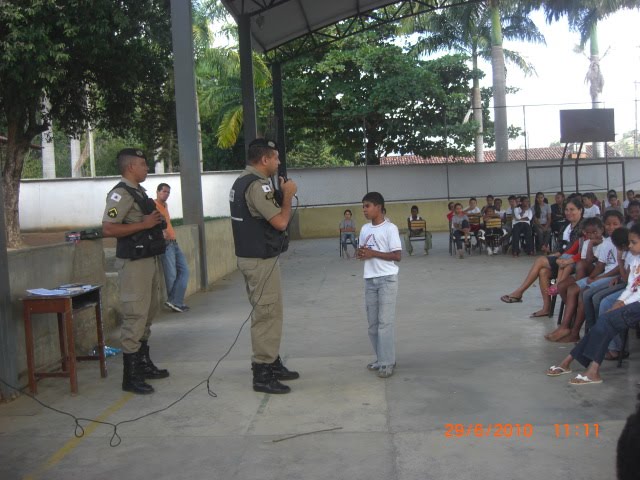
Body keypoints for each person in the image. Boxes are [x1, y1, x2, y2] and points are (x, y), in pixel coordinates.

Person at [229, 138, 299, 394]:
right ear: (265, 159)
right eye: (276, 158)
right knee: (267, 315)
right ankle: (263, 372)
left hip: (258, 259)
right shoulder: (257, 187)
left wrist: (280, 195)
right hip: (259, 261)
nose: (279, 163)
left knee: (271, 312)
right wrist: (289, 196)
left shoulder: (242, 182)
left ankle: (272, 360)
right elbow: (280, 222)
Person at [102, 149, 169, 395]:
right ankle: (130, 377)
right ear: (130, 167)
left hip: (148, 259)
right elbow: (108, 228)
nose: (147, 168)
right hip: (133, 264)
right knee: (135, 315)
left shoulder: (138, 192)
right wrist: (145, 224)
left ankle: (143, 363)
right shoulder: (120, 194)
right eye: (142, 164)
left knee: (148, 313)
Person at [545, 223, 640, 385]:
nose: (629, 245)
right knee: (605, 320)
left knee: (607, 319)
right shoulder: (635, 259)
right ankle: (583, 367)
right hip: (633, 303)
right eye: (629, 242)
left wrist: (622, 303)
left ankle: (578, 364)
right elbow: (632, 286)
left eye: (634, 242)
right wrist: (620, 301)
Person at [500, 197, 584, 316]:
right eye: (566, 210)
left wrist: (559, 254)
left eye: (572, 209)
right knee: (543, 272)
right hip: (562, 258)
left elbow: (577, 248)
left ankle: (519, 292)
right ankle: (546, 308)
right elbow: (561, 246)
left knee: (540, 260)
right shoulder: (566, 225)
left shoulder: (584, 226)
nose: (568, 212)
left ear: (580, 210)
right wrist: (555, 253)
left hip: (574, 262)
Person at [357, 192, 402, 378]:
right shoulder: (364, 229)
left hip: (387, 280)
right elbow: (363, 252)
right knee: (373, 325)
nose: (364, 210)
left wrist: (372, 253)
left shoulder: (390, 229)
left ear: (379, 207)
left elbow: (397, 256)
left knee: (385, 323)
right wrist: (361, 254)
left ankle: (387, 362)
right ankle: (381, 358)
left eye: (367, 206)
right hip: (370, 280)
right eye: (363, 207)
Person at [155, 183, 190, 313]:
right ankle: (176, 302)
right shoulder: (153, 206)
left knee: (185, 270)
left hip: (174, 242)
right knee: (171, 275)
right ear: (158, 192)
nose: (166, 194)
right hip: (165, 244)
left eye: (168, 192)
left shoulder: (165, 206)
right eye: (164, 191)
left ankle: (175, 301)